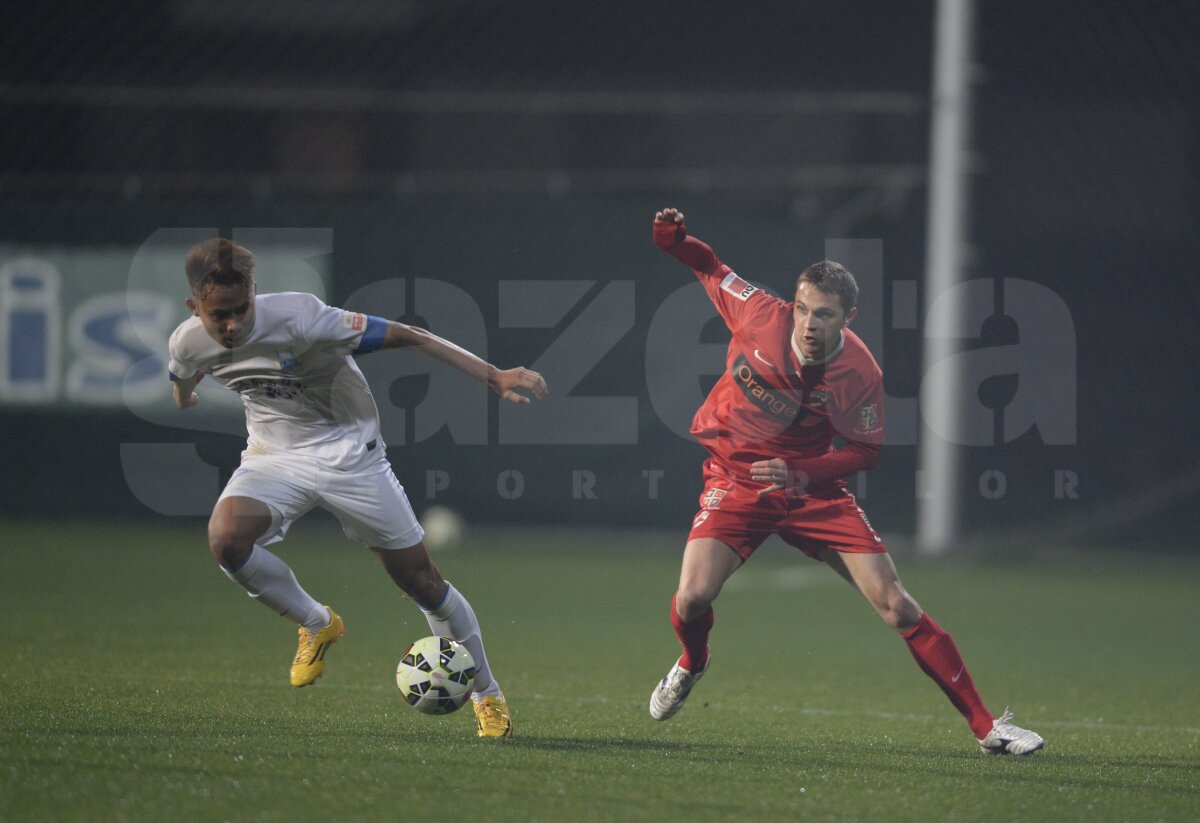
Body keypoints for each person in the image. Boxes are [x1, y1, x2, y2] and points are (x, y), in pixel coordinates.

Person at [647, 208, 1043, 755]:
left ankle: (987, 728)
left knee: (897, 605)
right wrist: (675, 241)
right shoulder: (760, 315)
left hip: (812, 491)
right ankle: (693, 661)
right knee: (691, 599)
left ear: (847, 318)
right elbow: (710, 266)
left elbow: (865, 452)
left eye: (825, 315)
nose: (810, 324)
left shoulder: (860, 371)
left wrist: (800, 473)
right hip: (738, 480)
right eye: (805, 309)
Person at [168, 237, 548, 738]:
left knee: (423, 584)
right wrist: (185, 395)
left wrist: (492, 375)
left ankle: (487, 694)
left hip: (351, 454)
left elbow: (413, 336)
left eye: (243, 308)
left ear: (255, 292)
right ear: (195, 307)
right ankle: (317, 622)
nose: (234, 324)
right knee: (226, 540)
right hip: (274, 457)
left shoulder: (304, 320)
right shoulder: (187, 340)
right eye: (220, 316)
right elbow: (184, 372)